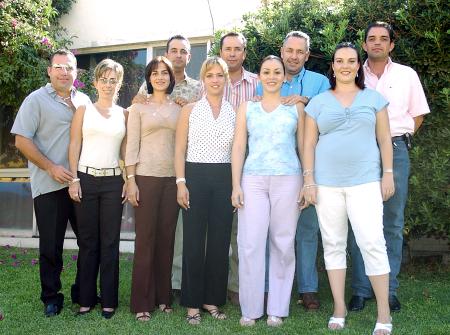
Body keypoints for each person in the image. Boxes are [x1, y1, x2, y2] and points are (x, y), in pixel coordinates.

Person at [302, 42, 393, 335]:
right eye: (339, 60)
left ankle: (383, 313)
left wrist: (388, 174)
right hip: (327, 185)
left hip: (366, 182)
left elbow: (384, 140)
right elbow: (308, 144)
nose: (345, 65)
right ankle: (339, 308)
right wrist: (308, 180)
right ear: (332, 65)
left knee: (372, 243)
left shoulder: (374, 99)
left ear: (358, 65)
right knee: (333, 245)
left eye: (351, 60)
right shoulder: (318, 103)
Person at [348, 21, 430, 313]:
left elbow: (417, 116)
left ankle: (390, 289)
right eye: (372, 39)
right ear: (365, 44)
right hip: (359, 151)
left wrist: (395, 141)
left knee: (392, 223)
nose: (377, 43)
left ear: (391, 44)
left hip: (395, 149)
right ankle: (360, 290)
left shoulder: (406, 75)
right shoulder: (354, 75)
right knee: (359, 222)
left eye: (383, 39)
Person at [11, 49, 90, 317]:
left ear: (76, 72)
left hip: (81, 184)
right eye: (58, 67)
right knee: (51, 246)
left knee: (89, 243)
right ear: (49, 71)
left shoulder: (84, 101)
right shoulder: (36, 100)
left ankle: (84, 292)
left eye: (68, 67)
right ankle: (51, 297)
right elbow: (21, 140)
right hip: (50, 184)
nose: (63, 72)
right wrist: (51, 167)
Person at [256, 30, 330, 310]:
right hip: (273, 165)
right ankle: (266, 288)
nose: (294, 56)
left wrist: (305, 101)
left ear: (307, 55)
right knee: (270, 228)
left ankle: (308, 288)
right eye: (290, 51)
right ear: (282, 50)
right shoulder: (266, 80)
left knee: (307, 228)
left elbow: (328, 116)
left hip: (310, 163)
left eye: (300, 52)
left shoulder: (319, 82)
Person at [232, 55, 305, 327]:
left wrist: (308, 181)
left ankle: (277, 308)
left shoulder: (295, 108)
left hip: (288, 178)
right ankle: (250, 309)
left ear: (285, 76)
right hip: (253, 180)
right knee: (250, 244)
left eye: (277, 72)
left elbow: (303, 146)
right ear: (259, 77)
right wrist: (235, 184)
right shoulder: (247, 107)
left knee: (283, 243)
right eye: (266, 72)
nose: (272, 76)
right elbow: (239, 147)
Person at [137, 35, 202, 299]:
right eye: (173, 50)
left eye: (182, 51)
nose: (177, 55)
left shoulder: (197, 88)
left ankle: (174, 280)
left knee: (178, 230)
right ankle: (164, 284)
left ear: (189, 56)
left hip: (188, 166)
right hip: (154, 167)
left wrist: (189, 109)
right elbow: (136, 109)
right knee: (157, 231)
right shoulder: (149, 84)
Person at [174, 57, 235, 325]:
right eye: (210, 75)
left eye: (219, 75)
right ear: (203, 79)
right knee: (194, 242)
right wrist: (180, 182)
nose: (215, 80)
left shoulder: (235, 111)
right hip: (194, 176)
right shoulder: (189, 109)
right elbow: (179, 149)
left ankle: (212, 299)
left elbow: (237, 151)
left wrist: (235, 185)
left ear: (226, 79)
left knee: (220, 243)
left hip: (224, 177)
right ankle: (191, 304)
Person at [68, 58, 127, 319]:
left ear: (119, 84)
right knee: (89, 242)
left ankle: (109, 301)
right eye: (103, 79)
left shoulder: (124, 114)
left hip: (114, 182)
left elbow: (125, 150)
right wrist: (74, 179)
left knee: (110, 242)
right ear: (95, 82)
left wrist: (129, 179)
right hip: (86, 179)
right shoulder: (83, 110)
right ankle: (86, 298)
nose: (107, 84)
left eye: (112, 80)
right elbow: (74, 145)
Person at [126, 56, 181, 321]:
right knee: (145, 240)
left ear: (171, 78)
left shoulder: (180, 108)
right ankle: (141, 302)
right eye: (155, 73)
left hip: (172, 179)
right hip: (145, 178)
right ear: (148, 78)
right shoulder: (138, 108)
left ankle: (163, 297)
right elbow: (131, 146)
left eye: (165, 73)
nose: (160, 77)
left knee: (166, 241)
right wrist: (130, 179)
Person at [219, 31, 259, 306]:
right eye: (227, 49)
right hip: (213, 161)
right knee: (215, 227)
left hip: (249, 161)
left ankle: (236, 285)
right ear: (220, 53)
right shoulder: (210, 80)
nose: (232, 53)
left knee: (240, 228)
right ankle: (213, 282)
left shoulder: (259, 82)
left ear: (244, 53)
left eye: (237, 49)